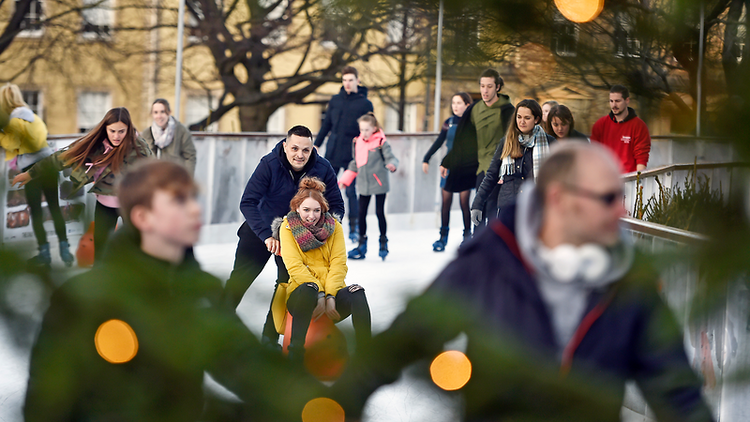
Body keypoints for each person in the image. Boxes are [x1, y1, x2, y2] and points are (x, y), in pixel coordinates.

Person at [331, 142, 714, 422]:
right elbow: (403, 341)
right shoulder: (492, 260)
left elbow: (675, 391)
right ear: (561, 199)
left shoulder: (629, 279)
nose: (623, 209)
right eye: (609, 197)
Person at [24, 160, 320, 422]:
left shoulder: (197, 289)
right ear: (143, 217)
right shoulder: (85, 296)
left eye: (193, 198)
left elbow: (243, 362)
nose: (194, 208)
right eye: (179, 200)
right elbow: (46, 402)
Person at [225, 125, 345, 347]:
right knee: (239, 281)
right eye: (295, 148)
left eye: (305, 150)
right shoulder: (269, 164)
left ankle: (269, 338)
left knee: (285, 287)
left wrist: (324, 231)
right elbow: (248, 202)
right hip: (260, 231)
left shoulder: (323, 168)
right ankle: (215, 327)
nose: (299, 154)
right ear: (285, 146)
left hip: (297, 237)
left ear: (312, 149)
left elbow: (336, 206)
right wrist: (265, 235)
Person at [12, 107, 152, 262]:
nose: (116, 136)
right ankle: (99, 280)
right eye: (112, 131)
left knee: (134, 249)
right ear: (105, 128)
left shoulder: (139, 148)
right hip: (105, 204)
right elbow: (61, 158)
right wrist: (31, 173)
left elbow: (155, 174)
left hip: (130, 204)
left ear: (129, 129)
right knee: (100, 249)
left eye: (121, 131)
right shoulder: (95, 145)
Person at [271, 177, 371, 364]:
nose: (312, 216)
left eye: (317, 210)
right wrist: (320, 294)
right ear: (297, 208)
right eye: (306, 210)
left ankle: (365, 357)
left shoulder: (335, 227)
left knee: (357, 292)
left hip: (332, 297)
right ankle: (295, 357)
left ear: (323, 209)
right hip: (303, 295)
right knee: (309, 288)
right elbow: (294, 267)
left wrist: (331, 296)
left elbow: (339, 264)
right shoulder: (287, 228)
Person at [0, 83, 73, 267]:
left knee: (36, 211)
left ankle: (44, 253)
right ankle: (65, 250)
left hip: (31, 169)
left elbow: (11, 144)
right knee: (55, 207)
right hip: (48, 165)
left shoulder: (15, 120)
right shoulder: (33, 116)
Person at [441, 69, 514, 233]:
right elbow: (463, 140)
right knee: (478, 209)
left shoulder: (508, 111)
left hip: (501, 168)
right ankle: (477, 246)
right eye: (482, 86)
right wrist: (448, 161)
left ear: (498, 87)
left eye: (489, 86)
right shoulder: (473, 110)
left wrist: (507, 168)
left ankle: (494, 247)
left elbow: (514, 141)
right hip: (481, 167)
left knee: (492, 209)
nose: (485, 90)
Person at [471, 99, 555, 225]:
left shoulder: (549, 143)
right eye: (519, 117)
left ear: (536, 119)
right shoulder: (506, 142)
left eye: (527, 118)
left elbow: (558, 177)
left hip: (535, 206)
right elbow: (491, 175)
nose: (522, 121)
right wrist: (477, 204)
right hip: (508, 206)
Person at [314, 66, 374, 243]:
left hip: (353, 154)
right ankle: (322, 226)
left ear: (357, 81)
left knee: (351, 191)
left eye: (351, 80)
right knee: (323, 189)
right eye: (345, 80)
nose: (347, 83)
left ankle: (354, 228)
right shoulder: (335, 100)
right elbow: (327, 125)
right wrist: (316, 144)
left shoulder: (365, 103)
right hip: (333, 150)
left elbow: (370, 130)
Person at [338, 113, 398, 261]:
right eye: (362, 129)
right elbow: (355, 162)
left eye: (367, 129)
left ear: (374, 128)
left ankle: (383, 242)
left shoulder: (380, 141)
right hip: (364, 183)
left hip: (379, 183)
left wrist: (392, 165)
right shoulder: (357, 142)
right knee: (361, 213)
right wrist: (345, 179)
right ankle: (361, 244)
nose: (364, 133)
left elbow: (390, 157)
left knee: (379, 212)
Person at [422, 92, 474, 251]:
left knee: (464, 203)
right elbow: (439, 141)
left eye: (459, 103)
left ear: (467, 105)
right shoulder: (449, 122)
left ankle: (467, 236)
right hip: (448, 167)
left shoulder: (471, 123)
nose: (455, 106)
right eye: (453, 103)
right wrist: (426, 158)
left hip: (464, 167)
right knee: (446, 202)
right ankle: (442, 237)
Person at [590, 84, 651, 173]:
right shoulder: (600, 124)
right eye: (611, 101)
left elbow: (641, 159)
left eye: (617, 101)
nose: (614, 105)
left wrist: (639, 183)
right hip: (605, 179)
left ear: (627, 101)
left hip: (629, 180)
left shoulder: (639, 126)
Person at [141, 98, 197, 175]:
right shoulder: (146, 134)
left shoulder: (181, 131)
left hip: (175, 177)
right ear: (152, 114)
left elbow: (190, 157)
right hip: (154, 178)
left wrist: (186, 178)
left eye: (162, 112)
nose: (159, 116)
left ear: (169, 112)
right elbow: (142, 159)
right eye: (156, 112)